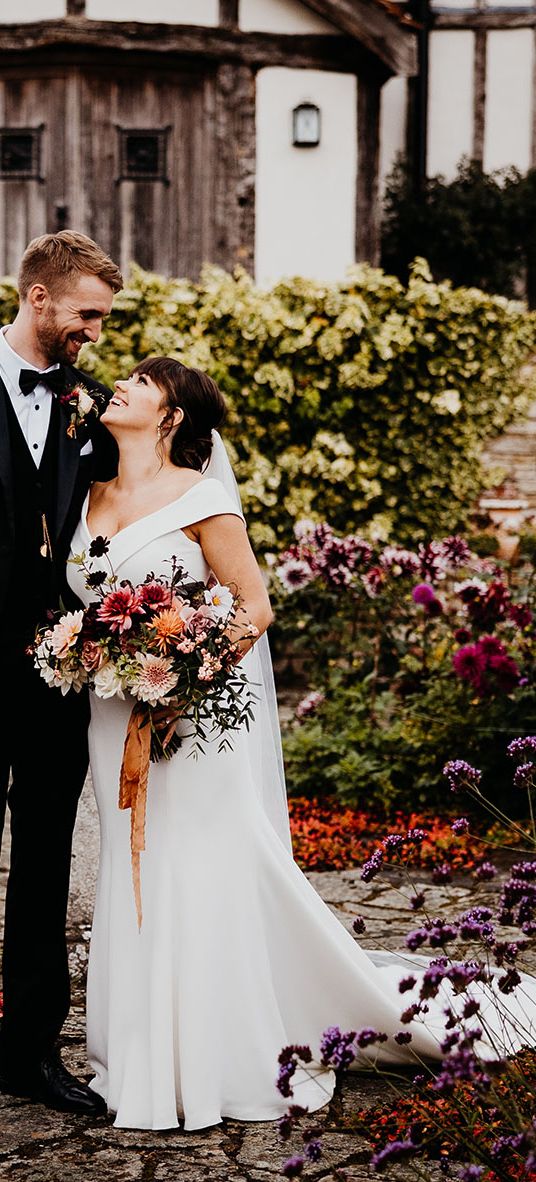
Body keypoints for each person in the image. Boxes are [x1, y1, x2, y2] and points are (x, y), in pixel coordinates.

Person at [68, 355, 536, 1132]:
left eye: (143, 381)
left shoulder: (202, 496)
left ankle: (217, 1054)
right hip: (112, 717)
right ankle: (143, 1053)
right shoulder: (85, 494)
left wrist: (187, 671)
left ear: (172, 414)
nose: (122, 383)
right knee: (135, 870)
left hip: (190, 721)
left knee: (199, 869)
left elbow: (253, 607)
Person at [0, 231, 123, 1114]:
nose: (95, 333)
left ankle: (32, 1053)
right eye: (86, 315)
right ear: (39, 298)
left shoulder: (96, 408)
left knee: (44, 865)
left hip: (54, 676)